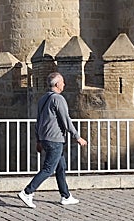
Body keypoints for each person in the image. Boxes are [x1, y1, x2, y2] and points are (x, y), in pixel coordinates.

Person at [17, 71, 87, 207]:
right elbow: (66, 120)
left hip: (45, 138)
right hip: (55, 139)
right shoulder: (58, 99)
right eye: (62, 82)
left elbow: (38, 120)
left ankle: (65, 196)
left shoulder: (43, 99)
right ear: (56, 84)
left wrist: (38, 140)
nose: (64, 84)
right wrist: (77, 136)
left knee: (61, 167)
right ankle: (27, 192)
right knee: (48, 169)